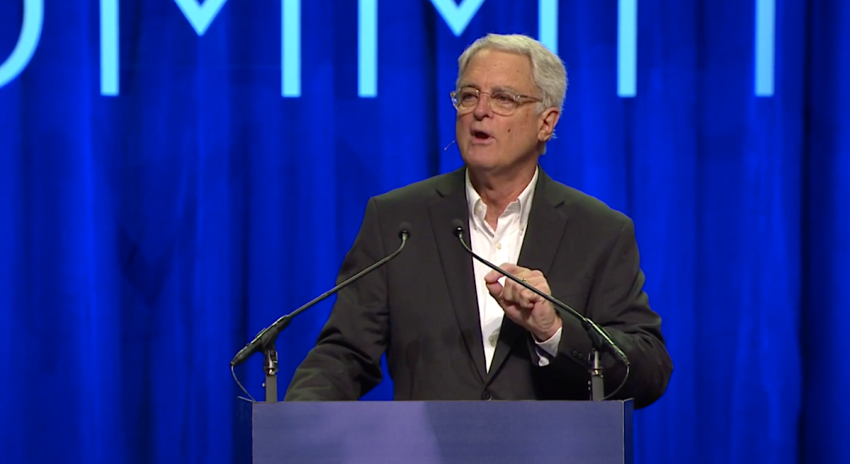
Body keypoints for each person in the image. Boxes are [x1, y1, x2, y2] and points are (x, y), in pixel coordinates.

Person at [284, 33, 672, 408]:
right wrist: (295, 422)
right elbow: (344, 354)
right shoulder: (398, 222)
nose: (479, 111)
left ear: (546, 123)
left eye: (503, 98)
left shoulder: (598, 232)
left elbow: (648, 371)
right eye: (468, 95)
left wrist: (553, 330)